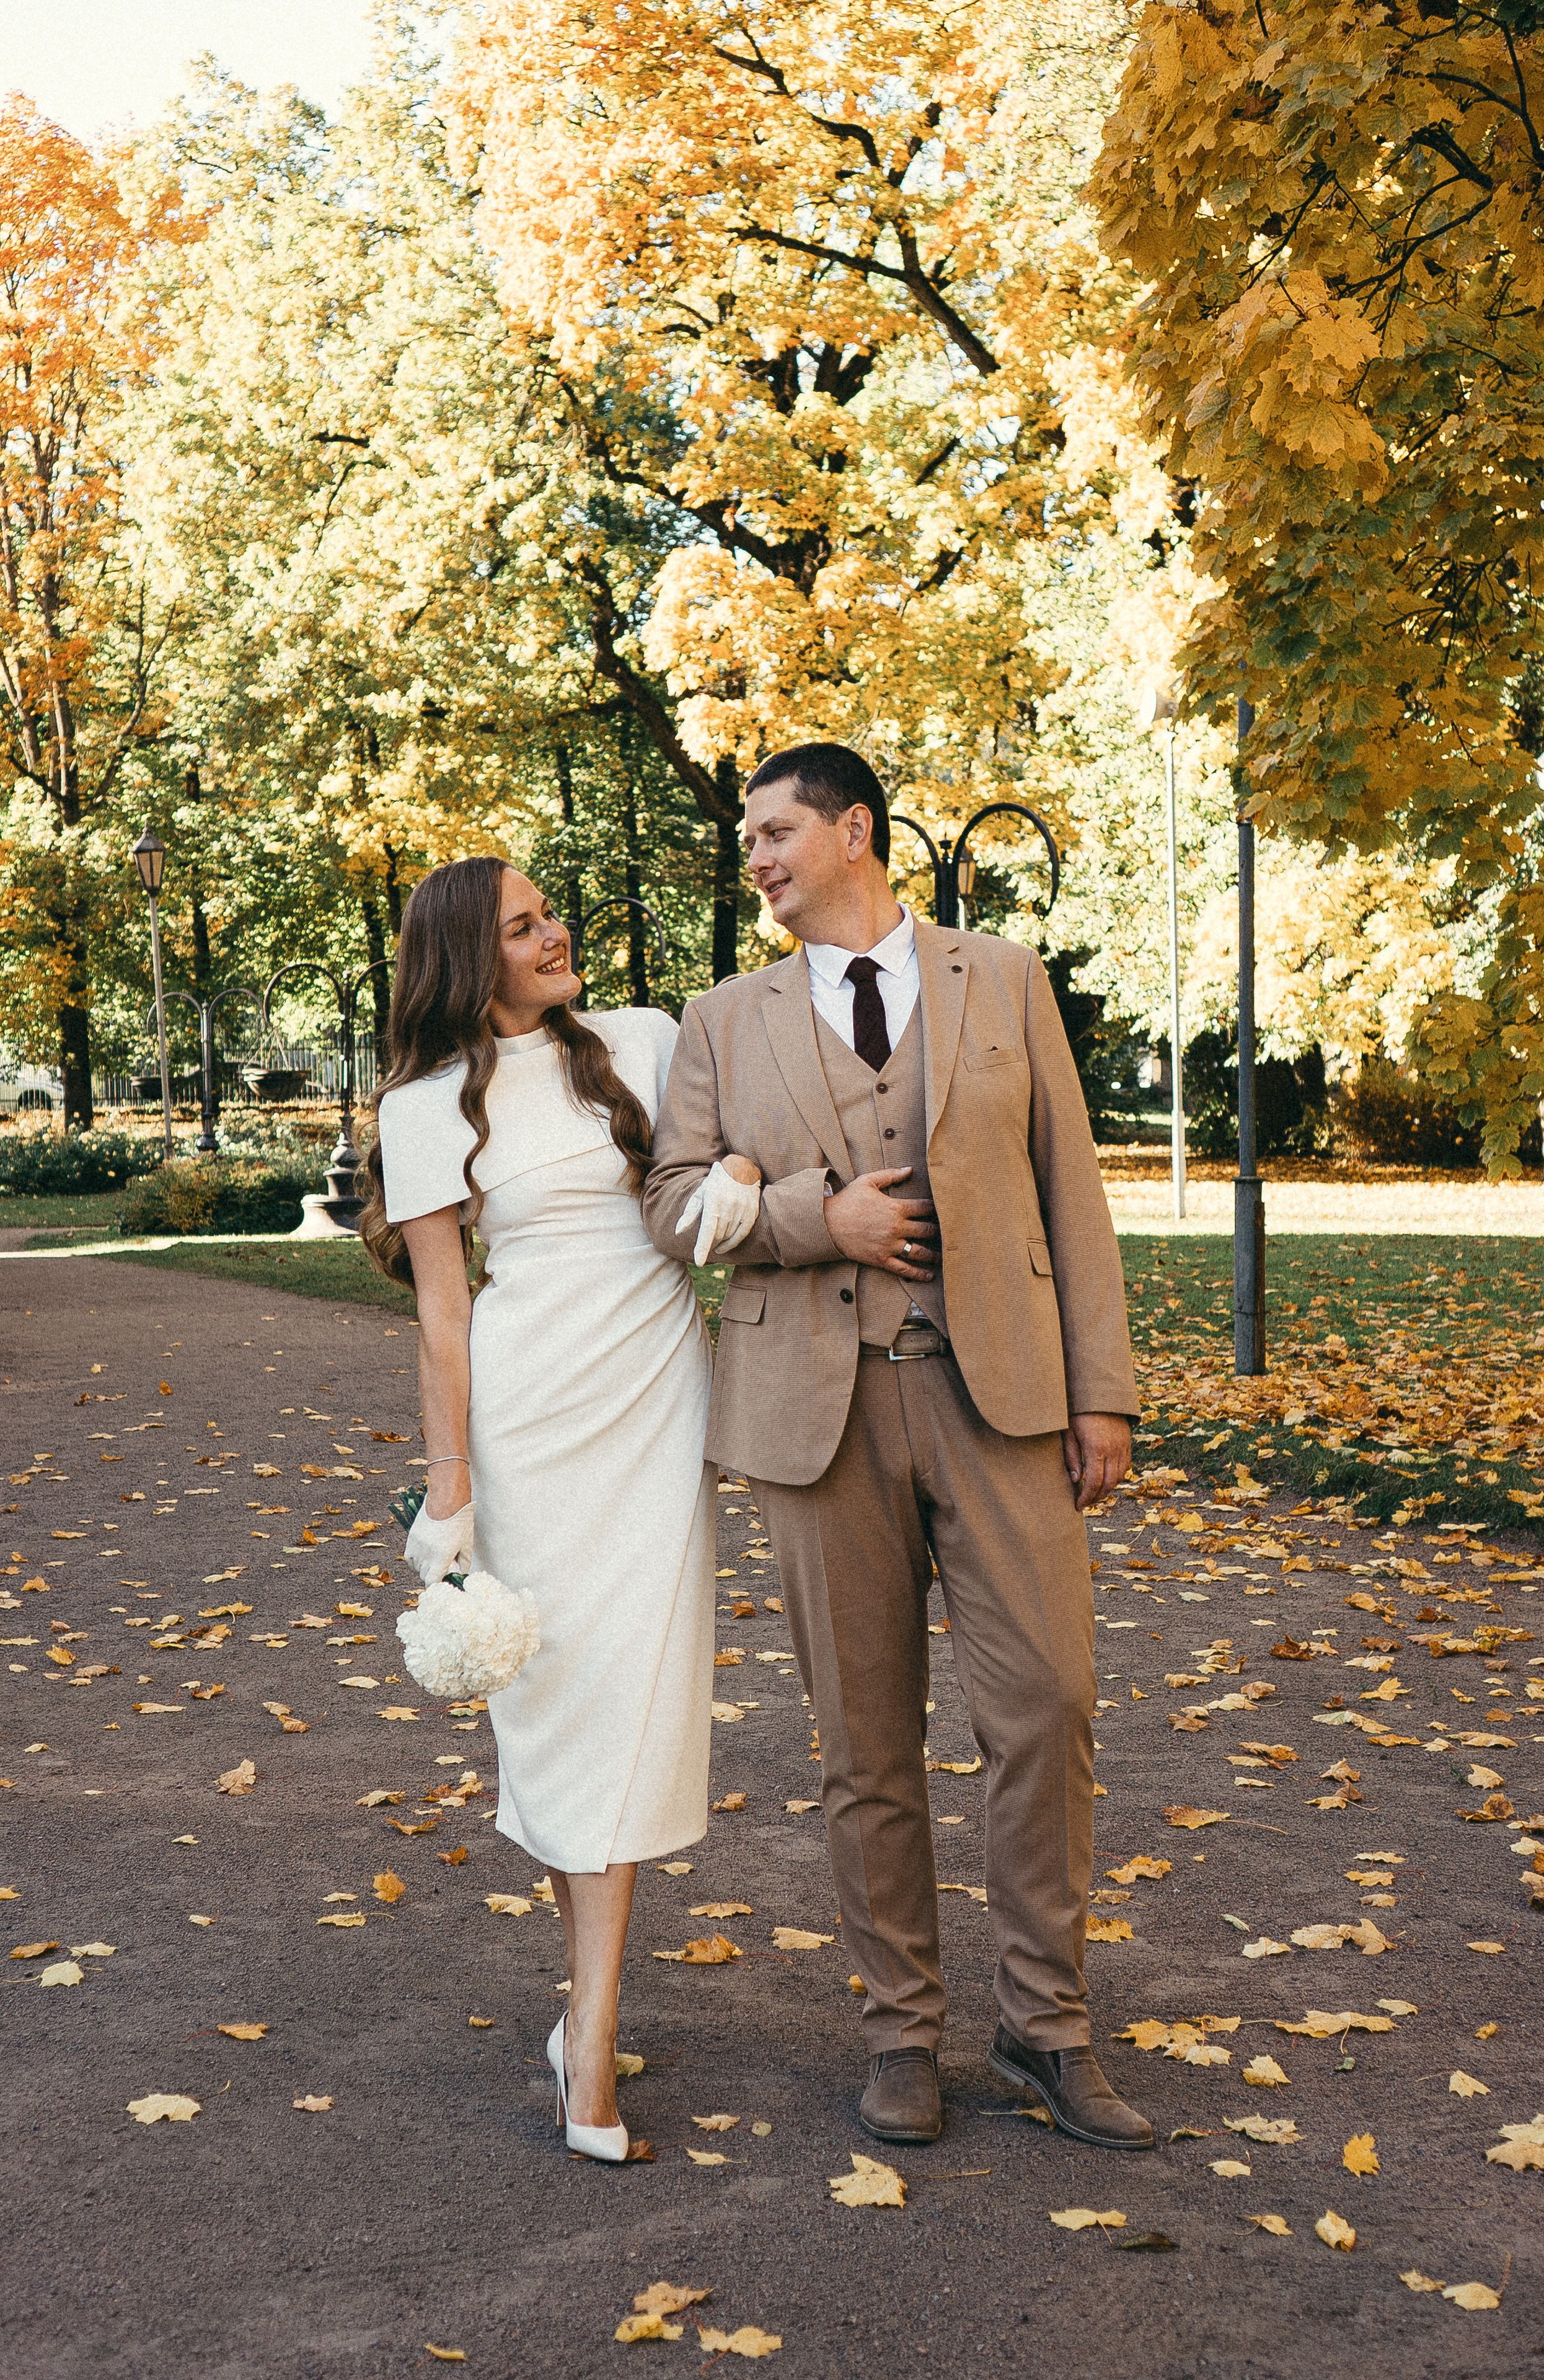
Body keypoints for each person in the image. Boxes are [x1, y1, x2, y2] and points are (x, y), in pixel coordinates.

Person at [641, 744, 1152, 2152]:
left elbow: (1072, 1191)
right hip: (818, 1416)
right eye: (747, 837)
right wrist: (819, 1217)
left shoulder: (1003, 977)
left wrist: (1098, 1393)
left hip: (1002, 1401)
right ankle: (899, 2039)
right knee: (865, 1745)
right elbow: (672, 1203)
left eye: (774, 830)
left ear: (854, 832)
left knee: (1045, 1708)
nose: (752, 856)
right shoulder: (720, 1019)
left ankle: (1044, 2029)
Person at [361, 857, 760, 2164]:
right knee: (558, 1721)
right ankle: (587, 2039)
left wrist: (738, 1194)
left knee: (632, 1709)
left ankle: (584, 2029)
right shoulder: (422, 1107)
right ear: (471, 959)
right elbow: (439, 1310)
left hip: (654, 1411)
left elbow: (711, 1188)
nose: (555, 932)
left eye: (552, 914)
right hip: (530, 1428)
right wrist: (452, 1489)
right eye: (525, 925)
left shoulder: (643, 1040)